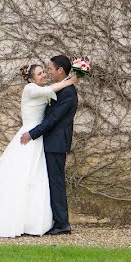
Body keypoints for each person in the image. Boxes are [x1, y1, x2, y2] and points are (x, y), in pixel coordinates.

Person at [0, 63, 78, 238]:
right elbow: (54, 88)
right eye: (39, 73)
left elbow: (52, 94)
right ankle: (8, 220)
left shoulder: (43, 88)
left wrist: (71, 79)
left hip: (38, 137)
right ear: (31, 78)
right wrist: (71, 80)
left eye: (44, 72)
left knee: (36, 179)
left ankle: (34, 220)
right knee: (21, 176)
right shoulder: (30, 89)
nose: (44, 75)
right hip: (30, 136)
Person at [20, 55, 80, 235]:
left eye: (51, 69)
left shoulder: (68, 92)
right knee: (49, 182)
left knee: (56, 183)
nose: (49, 72)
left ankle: (62, 223)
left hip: (56, 143)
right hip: (49, 141)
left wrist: (33, 133)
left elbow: (54, 119)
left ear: (61, 70)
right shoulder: (59, 88)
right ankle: (53, 220)